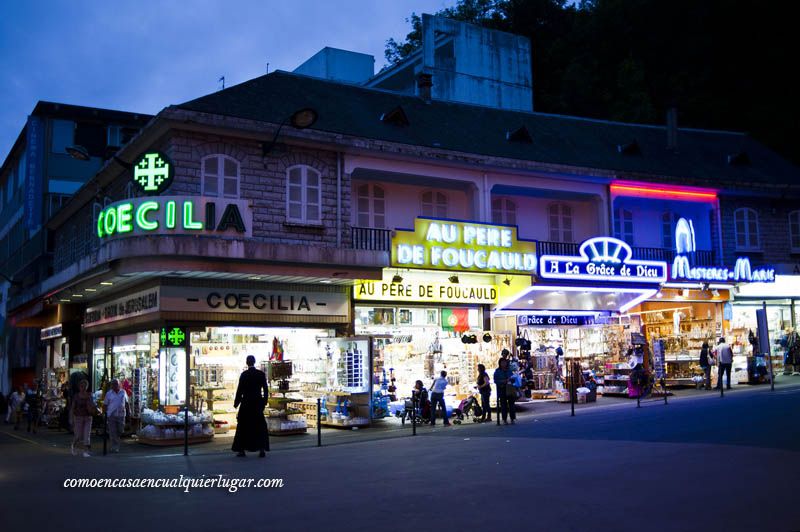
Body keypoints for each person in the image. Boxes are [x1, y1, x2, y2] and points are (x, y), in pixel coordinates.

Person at [232, 355, 269, 457]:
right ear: (254, 362)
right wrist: (264, 402)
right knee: (259, 426)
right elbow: (265, 389)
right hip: (257, 403)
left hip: (246, 403)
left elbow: (239, 390)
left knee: (243, 426)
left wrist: (236, 403)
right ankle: (262, 449)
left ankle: (241, 449)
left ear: (247, 363)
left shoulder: (244, 375)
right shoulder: (261, 374)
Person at [71, 380, 97, 457]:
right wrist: (71, 418)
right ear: (79, 387)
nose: (83, 388)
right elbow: (72, 407)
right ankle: (74, 446)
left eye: (85, 386)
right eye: (82, 386)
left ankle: (86, 451)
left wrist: (94, 408)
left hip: (88, 417)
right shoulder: (76, 396)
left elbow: (93, 404)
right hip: (78, 417)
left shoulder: (89, 395)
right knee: (78, 435)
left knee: (87, 435)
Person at [104, 379, 130, 453]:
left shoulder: (123, 392)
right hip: (111, 415)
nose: (115, 385)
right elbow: (105, 404)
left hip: (121, 414)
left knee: (120, 430)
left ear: (119, 385)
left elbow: (127, 403)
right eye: (113, 384)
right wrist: (104, 413)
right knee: (113, 431)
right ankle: (114, 446)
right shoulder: (108, 394)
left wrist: (129, 412)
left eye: (116, 384)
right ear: (111, 385)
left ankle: (116, 441)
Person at [494, 358, 516, 425]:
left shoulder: (509, 371)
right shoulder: (497, 371)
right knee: (503, 405)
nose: (503, 364)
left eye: (505, 362)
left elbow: (513, 379)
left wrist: (511, 379)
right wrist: (503, 381)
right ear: (500, 363)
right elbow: (495, 380)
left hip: (509, 388)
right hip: (501, 389)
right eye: (502, 362)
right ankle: (504, 419)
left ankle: (512, 418)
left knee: (511, 404)